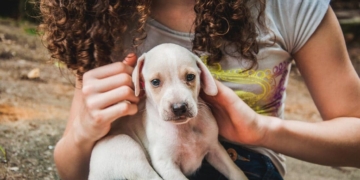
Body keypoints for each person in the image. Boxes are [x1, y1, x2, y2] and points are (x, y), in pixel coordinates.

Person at [39, 0, 360, 179]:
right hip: (144, 160)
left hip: (245, 162)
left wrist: (262, 130)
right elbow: (77, 172)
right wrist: (83, 133)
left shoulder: (290, 7)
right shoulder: (101, 18)